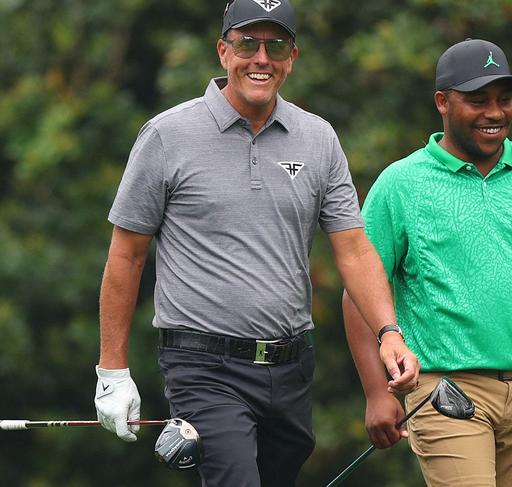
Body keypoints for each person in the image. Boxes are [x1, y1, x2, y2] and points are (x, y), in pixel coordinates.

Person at [93, 1, 419, 486]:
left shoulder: (318, 138)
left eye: (276, 45)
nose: (261, 58)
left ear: (292, 56)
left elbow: (352, 249)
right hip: (203, 365)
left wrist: (389, 332)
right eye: (248, 44)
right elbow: (127, 255)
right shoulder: (167, 135)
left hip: (290, 366)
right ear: (223, 51)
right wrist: (112, 370)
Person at [343, 38, 512, 487]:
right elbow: (359, 293)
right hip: (445, 390)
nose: (495, 112)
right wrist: (377, 392)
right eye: (478, 101)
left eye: (504, 100)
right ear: (442, 103)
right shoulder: (402, 184)